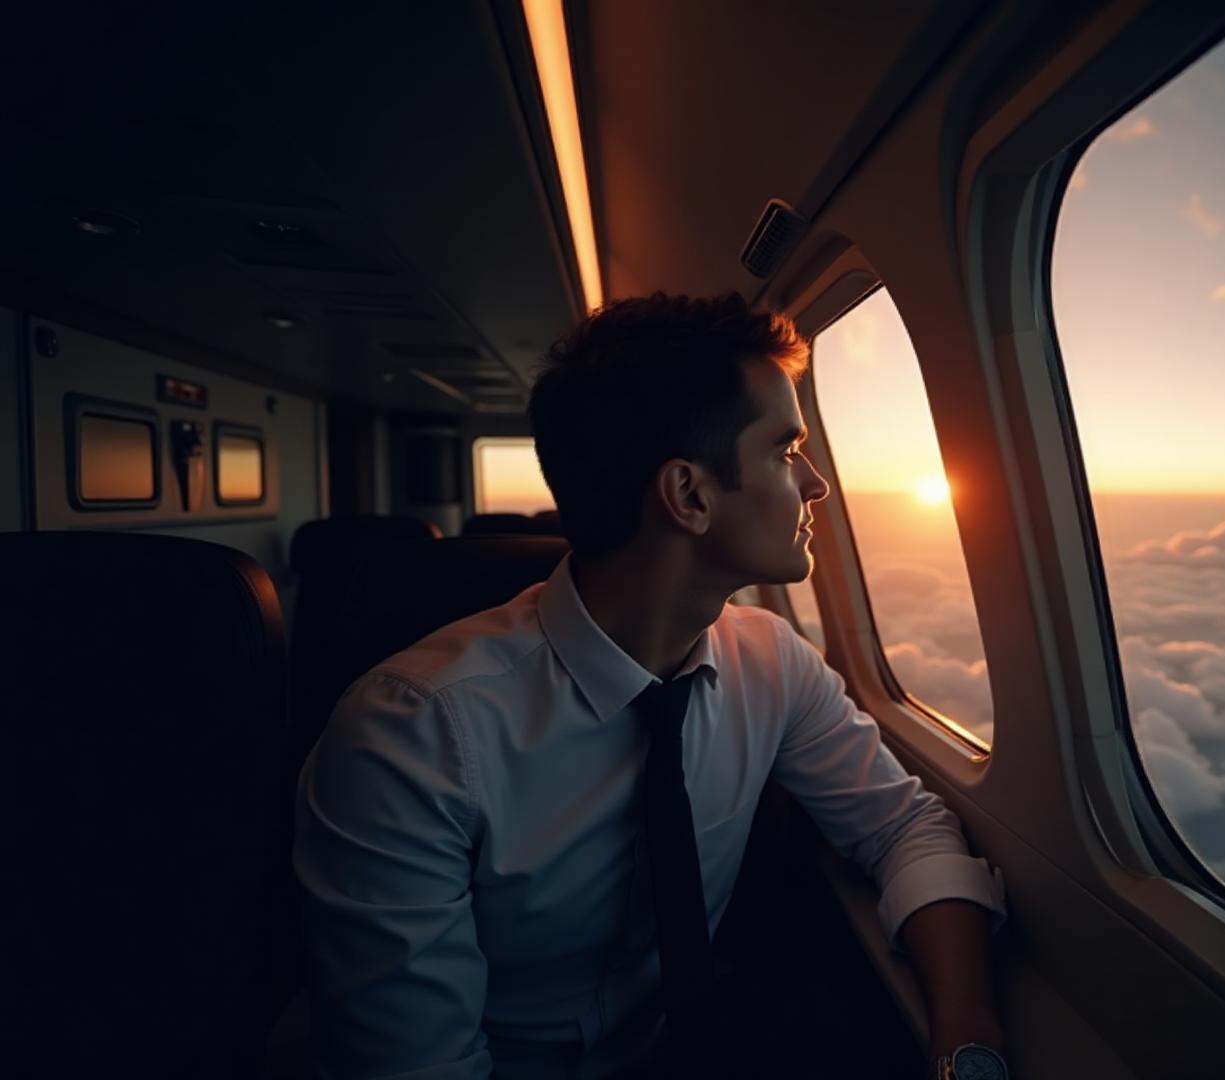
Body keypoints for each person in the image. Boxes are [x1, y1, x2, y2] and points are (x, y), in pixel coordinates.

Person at [293, 293, 1008, 1079]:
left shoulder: (772, 663)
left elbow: (903, 828)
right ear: (689, 496)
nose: (815, 486)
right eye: (783, 450)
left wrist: (965, 1046)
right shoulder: (412, 736)